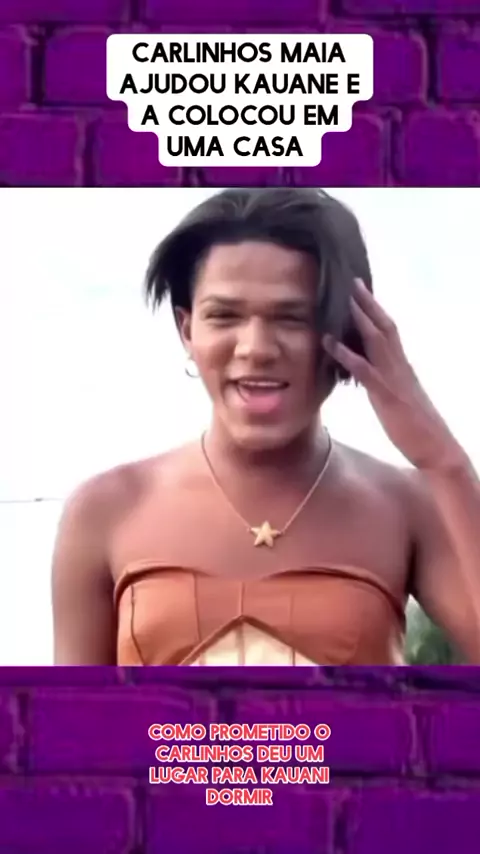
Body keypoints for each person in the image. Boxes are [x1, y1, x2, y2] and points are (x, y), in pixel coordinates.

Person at [52, 187, 480, 666]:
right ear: (187, 329)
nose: (256, 348)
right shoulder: (105, 511)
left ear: (349, 331)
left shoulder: (408, 506)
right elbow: (71, 712)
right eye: (224, 316)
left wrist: (441, 458)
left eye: (293, 318)